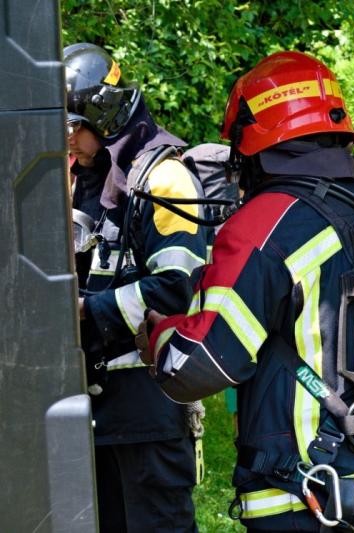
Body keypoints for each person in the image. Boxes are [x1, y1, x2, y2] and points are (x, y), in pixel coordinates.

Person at [139, 51, 354, 532]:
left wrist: (159, 337)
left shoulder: (264, 225)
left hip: (308, 498)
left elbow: (199, 365)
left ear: (252, 138)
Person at [65, 42, 205, 531]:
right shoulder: (78, 178)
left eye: (74, 125)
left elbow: (177, 288)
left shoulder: (164, 179)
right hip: (90, 410)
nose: (66, 138)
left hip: (148, 407)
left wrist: (84, 310)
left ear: (105, 113)